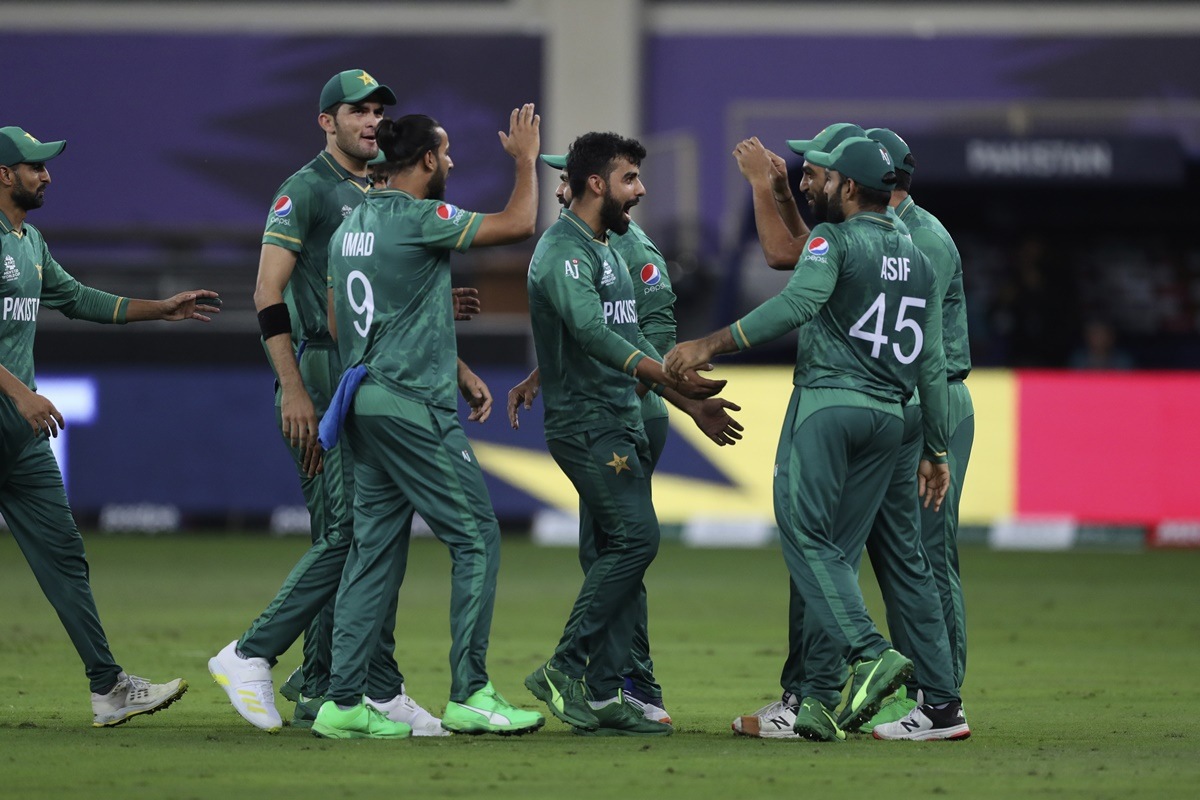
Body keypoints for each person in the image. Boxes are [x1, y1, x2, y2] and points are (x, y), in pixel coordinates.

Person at [666, 136, 957, 742]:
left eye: (821, 177)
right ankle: (823, 702)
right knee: (846, 558)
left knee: (806, 537)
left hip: (830, 405)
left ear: (849, 188)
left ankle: (871, 655)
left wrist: (708, 344)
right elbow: (931, 362)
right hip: (891, 417)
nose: (811, 184)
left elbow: (796, 301)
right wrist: (934, 447)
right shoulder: (921, 256)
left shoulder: (835, 240)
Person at [208, 70, 447, 736]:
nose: (371, 121)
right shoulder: (305, 191)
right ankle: (261, 656)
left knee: (362, 536)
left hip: (371, 372)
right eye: (357, 111)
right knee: (350, 535)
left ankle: (325, 686)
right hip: (320, 372)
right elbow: (266, 291)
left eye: (378, 111)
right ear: (326, 122)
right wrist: (292, 385)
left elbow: (382, 298)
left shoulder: (380, 193)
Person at [313, 106, 547, 740]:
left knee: (374, 551)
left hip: (362, 399)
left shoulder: (351, 227)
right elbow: (519, 223)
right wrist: (526, 159)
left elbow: (339, 323)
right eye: (443, 155)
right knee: (477, 538)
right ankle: (470, 693)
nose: (449, 164)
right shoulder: (423, 217)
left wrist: (448, 355)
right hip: (412, 406)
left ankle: (342, 703)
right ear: (422, 162)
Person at [508, 152, 743, 728]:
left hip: (631, 411)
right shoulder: (581, 247)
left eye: (564, 177)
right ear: (597, 186)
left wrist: (678, 396)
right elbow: (592, 330)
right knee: (622, 548)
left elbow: (643, 335)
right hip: (602, 417)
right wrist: (552, 373)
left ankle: (610, 683)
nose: (640, 190)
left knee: (619, 549)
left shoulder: (625, 249)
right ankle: (612, 684)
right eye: (630, 179)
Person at [0, 125, 219, 726]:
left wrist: (160, 308)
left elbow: (78, 299)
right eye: (35, 167)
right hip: (17, 409)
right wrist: (20, 392)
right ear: (3, 174)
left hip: (19, 440)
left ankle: (108, 689)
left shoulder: (30, 242)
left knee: (65, 555)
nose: (47, 175)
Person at [860, 127, 975, 739]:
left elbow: (926, 355)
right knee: (902, 554)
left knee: (929, 552)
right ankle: (926, 691)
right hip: (905, 400)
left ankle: (943, 696)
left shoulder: (920, 238)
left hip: (937, 401)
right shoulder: (901, 231)